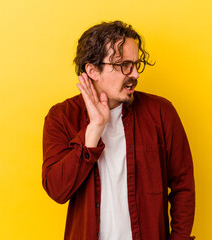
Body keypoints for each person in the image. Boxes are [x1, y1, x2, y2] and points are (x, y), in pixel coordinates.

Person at [42, 20, 195, 240]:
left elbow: (183, 185)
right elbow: (57, 190)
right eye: (124, 65)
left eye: (136, 64)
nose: (135, 75)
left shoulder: (161, 113)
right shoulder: (61, 117)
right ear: (93, 70)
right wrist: (94, 129)